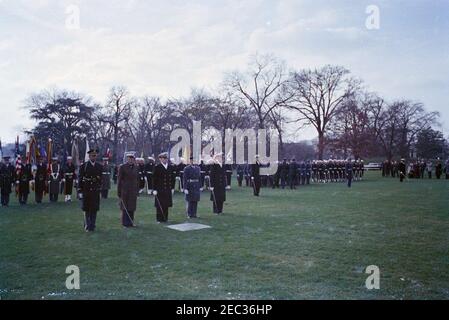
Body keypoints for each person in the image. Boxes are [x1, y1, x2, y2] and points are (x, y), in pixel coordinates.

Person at [78, 149, 103, 232]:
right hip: (86, 189)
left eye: (95, 155)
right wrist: (80, 190)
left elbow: (100, 179)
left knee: (94, 208)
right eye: (92, 155)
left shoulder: (99, 166)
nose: (94, 157)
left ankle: (92, 225)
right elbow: (80, 179)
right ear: (89, 156)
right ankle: (87, 225)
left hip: (95, 190)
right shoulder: (84, 166)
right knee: (86, 208)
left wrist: (100, 188)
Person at [117, 152, 139, 228]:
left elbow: (137, 179)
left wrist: (137, 190)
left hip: (133, 190)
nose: (130, 159)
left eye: (132, 158)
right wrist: (119, 192)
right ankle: (125, 223)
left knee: (132, 207)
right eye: (129, 158)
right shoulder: (123, 167)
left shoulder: (136, 167)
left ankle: (131, 222)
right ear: (127, 158)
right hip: (125, 190)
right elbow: (119, 180)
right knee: (125, 207)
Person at [153, 152, 175, 223]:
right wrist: (154, 189)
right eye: (163, 158)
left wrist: (172, 188)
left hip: (167, 189)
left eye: (166, 158)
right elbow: (154, 179)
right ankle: (159, 219)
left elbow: (172, 178)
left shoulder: (170, 167)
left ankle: (165, 218)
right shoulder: (157, 167)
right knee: (160, 204)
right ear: (160, 159)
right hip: (160, 189)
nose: (165, 160)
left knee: (166, 204)